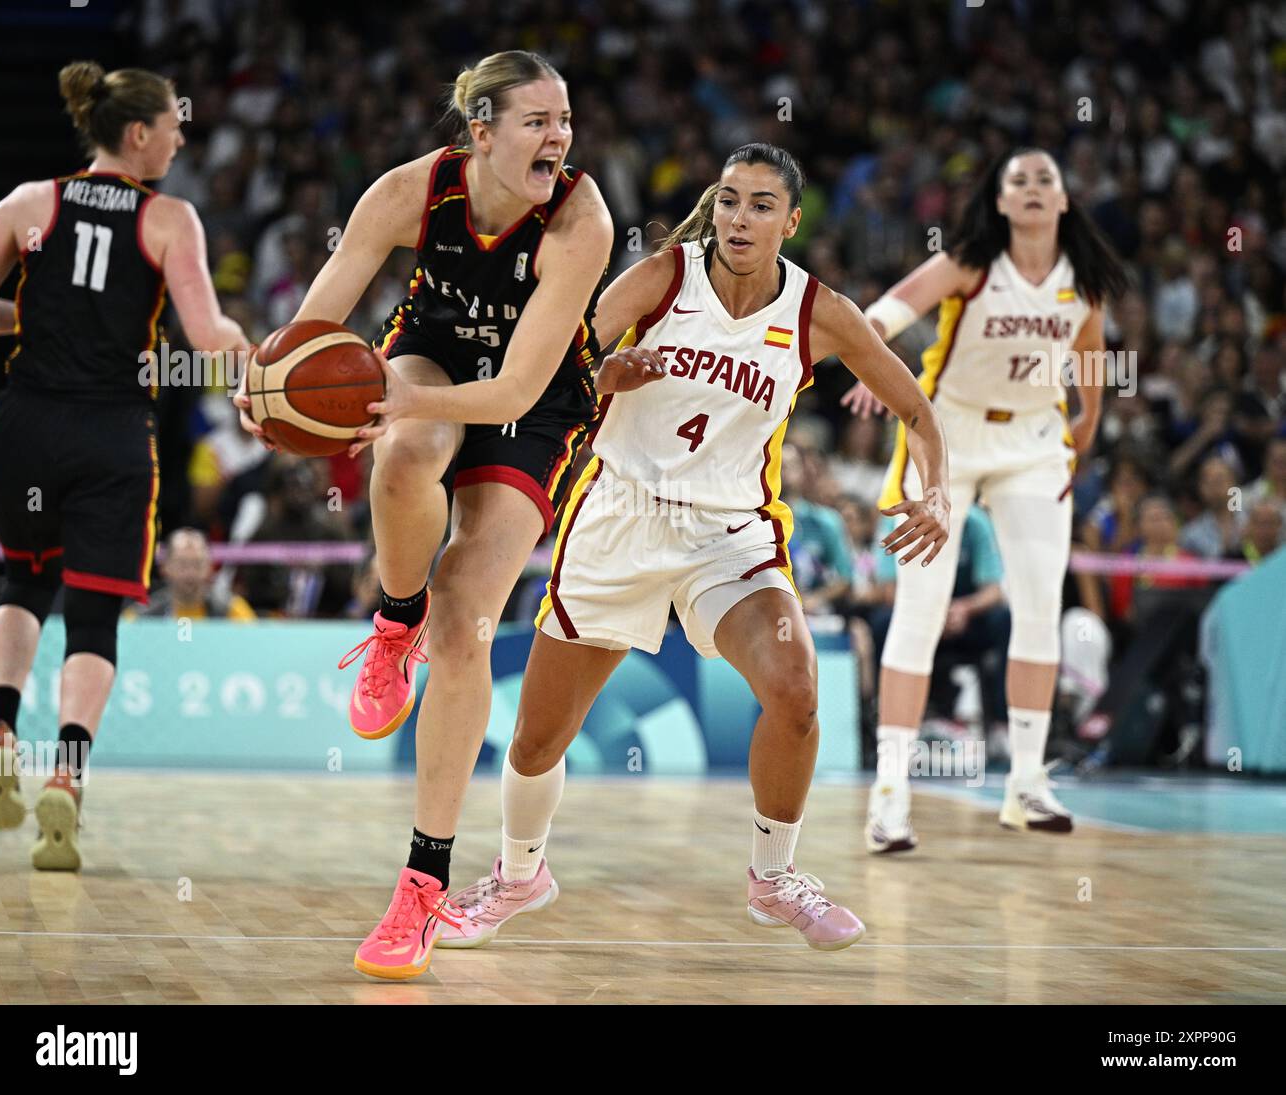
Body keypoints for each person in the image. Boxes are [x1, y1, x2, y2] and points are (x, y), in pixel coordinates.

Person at [422, 143, 950, 951]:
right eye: (731, 200)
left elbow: (914, 408)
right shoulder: (666, 276)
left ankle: (773, 877)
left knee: (796, 688)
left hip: (729, 532)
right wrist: (607, 374)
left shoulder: (816, 311)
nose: (741, 217)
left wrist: (935, 489)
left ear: (791, 221)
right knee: (536, 739)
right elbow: (550, 371)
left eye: (762, 205)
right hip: (619, 517)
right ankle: (520, 872)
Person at [234, 51, 613, 980]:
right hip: (431, 358)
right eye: (537, 121)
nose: (558, 136)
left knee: (469, 625)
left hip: (532, 411)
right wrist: (272, 383)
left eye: (564, 120)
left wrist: (405, 405)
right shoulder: (411, 191)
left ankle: (422, 882)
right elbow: (319, 324)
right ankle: (391, 620)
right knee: (401, 453)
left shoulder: (581, 218)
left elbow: (520, 381)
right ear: (480, 130)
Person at [0, 61, 250, 867]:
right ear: (137, 134)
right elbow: (206, 340)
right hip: (111, 436)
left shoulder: (29, 203)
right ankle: (66, 774)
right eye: (173, 124)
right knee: (94, 614)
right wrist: (261, 364)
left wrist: (31, 315)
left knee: (26, 581)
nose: (181, 135)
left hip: (24, 423)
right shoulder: (170, 219)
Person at [844, 148, 1128, 851]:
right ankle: (889, 793)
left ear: (1063, 200)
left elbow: (1090, 343)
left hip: (1034, 441)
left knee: (1038, 612)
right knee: (919, 611)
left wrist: (1088, 415)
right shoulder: (973, 261)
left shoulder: (1081, 279)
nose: (1032, 189)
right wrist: (870, 355)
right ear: (1001, 203)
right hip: (948, 435)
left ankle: (1027, 782)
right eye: (1019, 181)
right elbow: (891, 306)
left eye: (1045, 180)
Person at [131, 528, 256, 620]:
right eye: (182, 564)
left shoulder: (232, 612)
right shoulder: (142, 616)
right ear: (165, 568)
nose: (190, 574)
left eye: (197, 564)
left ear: (210, 567)